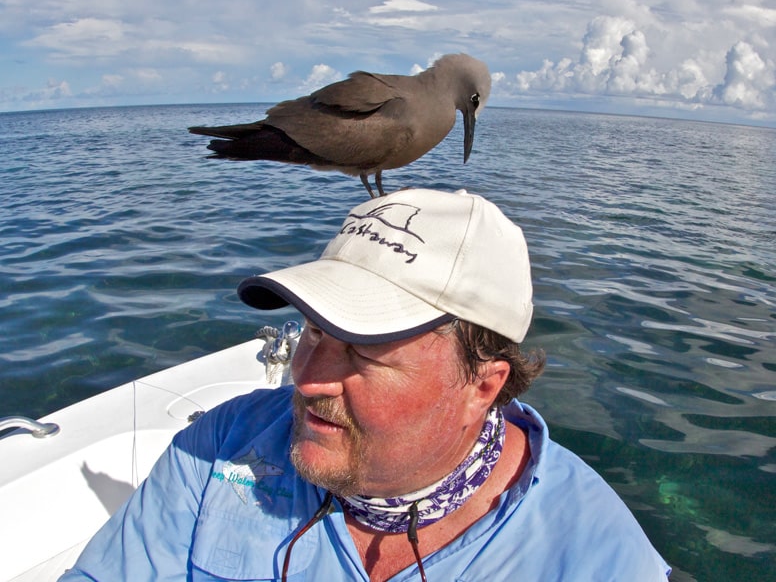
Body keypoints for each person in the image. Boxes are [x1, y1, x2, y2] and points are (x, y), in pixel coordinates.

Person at [60, 188, 671, 581]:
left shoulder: (593, 555)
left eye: (365, 352)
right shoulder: (221, 444)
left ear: (483, 386)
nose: (307, 377)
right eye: (313, 333)